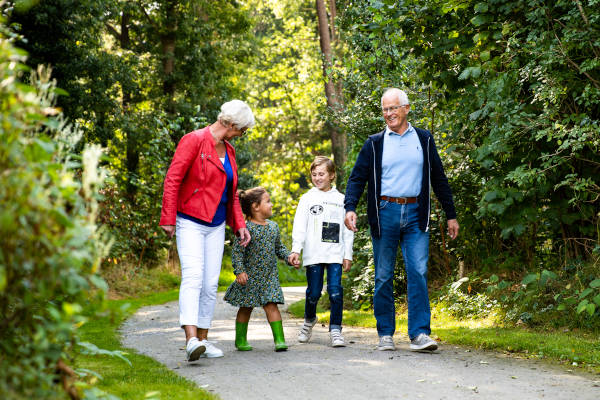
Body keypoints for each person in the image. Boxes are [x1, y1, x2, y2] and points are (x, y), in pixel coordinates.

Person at [344, 88, 459, 352]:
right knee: (384, 275)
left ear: (406, 108)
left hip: (417, 213)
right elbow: (357, 178)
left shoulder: (424, 139)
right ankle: (385, 332)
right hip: (385, 212)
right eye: (384, 109)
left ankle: (419, 333)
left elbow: (439, 178)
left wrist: (450, 214)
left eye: (393, 108)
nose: (388, 114)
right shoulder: (374, 143)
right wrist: (350, 207)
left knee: (418, 271)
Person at [159, 100, 254, 361]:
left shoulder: (230, 151)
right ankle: (190, 339)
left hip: (216, 224)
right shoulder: (194, 140)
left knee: (211, 284)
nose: (243, 134)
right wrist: (167, 217)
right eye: (243, 129)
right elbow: (173, 178)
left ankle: (203, 340)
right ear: (232, 124)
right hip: (190, 220)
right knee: (193, 277)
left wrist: (240, 225)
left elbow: (232, 193)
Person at [288, 156, 354, 347]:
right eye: (314, 174)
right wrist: (296, 249)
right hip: (314, 253)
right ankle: (309, 320)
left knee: (335, 292)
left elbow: (347, 230)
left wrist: (347, 254)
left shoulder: (341, 200)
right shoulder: (307, 198)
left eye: (322, 174)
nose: (317, 177)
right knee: (314, 293)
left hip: (334, 253)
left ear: (332, 175)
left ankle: (335, 329)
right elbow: (299, 226)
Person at [223, 187, 295, 352]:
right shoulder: (245, 229)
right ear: (255, 206)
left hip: (269, 277)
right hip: (250, 277)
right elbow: (237, 254)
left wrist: (289, 257)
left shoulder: (273, 227)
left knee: (272, 306)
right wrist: (240, 271)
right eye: (268, 201)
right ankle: (240, 340)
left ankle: (279, 340)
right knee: (246, 307)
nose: (271, 204)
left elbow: (279, 248)